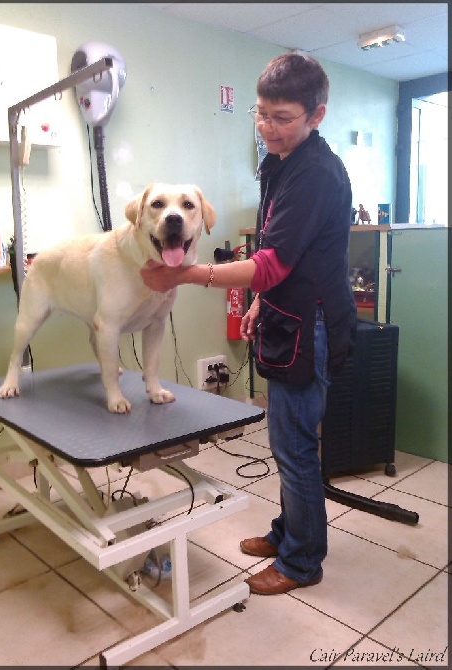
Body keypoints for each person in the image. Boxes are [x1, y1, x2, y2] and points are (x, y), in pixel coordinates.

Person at [140, 52, 356, 595]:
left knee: (296, 447)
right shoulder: (278, 162)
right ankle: (288, 534)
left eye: (282, 117)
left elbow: (271, 262)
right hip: (286, 313)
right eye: (260, 114)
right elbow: (276, 252)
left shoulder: (316, 173)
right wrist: (259, 299)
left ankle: (302, 562)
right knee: (285, 442)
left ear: (316, 115)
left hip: (314, 324)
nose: (267, 127)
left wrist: (187, 274)